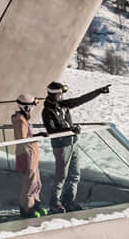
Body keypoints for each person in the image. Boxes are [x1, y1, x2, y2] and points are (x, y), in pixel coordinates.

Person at [42, 77, 111, 213]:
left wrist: (98, 92)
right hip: (61, 145)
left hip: (72, 142)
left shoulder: (63, 105)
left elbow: (80, 100)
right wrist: (70, 130)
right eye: (60, 94)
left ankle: (68, 201)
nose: (62, 96)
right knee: (61, 175)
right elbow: (51, 130)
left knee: (74, 175)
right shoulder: (47, 111)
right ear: (54, 94)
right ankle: (54, 203)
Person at [9, 92, 44, 217]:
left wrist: (36, 136)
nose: (32, 110)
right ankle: (27, 209)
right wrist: (36, 136)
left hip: (32, 153)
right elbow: (22, 138)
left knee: (36, 180)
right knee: (29, 182)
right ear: (26, 107)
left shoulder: (23, 119)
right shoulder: (20, 120)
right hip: (26, 154)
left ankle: (34, 205)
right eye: (31, 107)